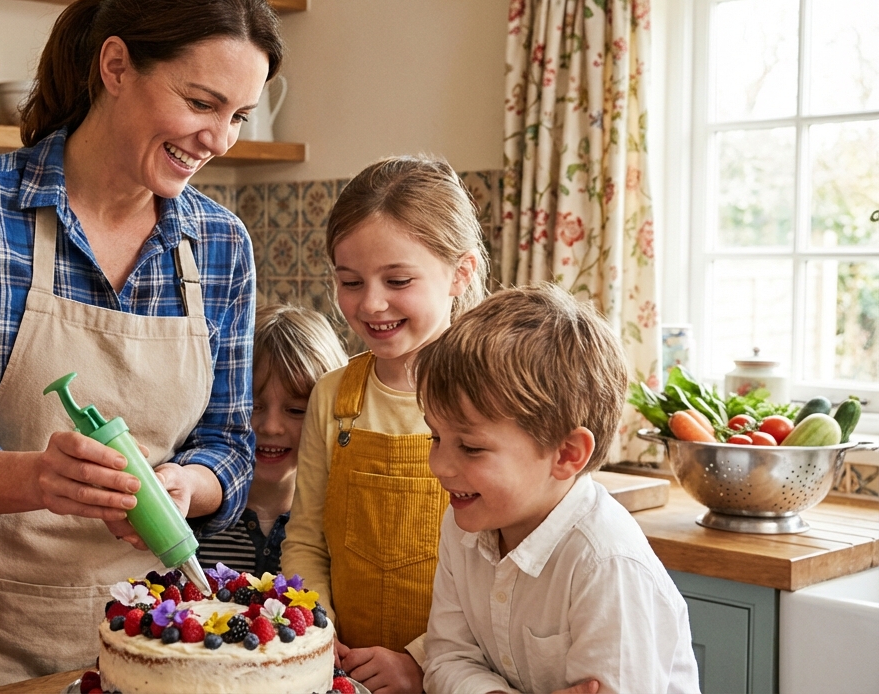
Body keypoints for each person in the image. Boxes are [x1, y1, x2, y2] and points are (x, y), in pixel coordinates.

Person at [0, 0, 280, 692]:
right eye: (201, 103)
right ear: (115, 65)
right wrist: (38, 478)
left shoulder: (223, 244)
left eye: (238, 116)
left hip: (152, 640)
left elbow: (230, 443)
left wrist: (183, 486)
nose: (220, 139)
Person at [418, 285, 699, 694]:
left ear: (566, 454)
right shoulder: (463, 523)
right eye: (434, 437)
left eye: (472, 447)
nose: (438, 465)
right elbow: (446, 659)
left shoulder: (606, 565)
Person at [281, 155, 488, 694]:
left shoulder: (491, 401)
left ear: (460, 274)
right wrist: (316, 630)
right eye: (350, 281)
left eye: (397, 279)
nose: (371, 304)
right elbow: (305, 538)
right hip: (343, 670)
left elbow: (502, 564)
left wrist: (422, 661)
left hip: (458, 671)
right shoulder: (334, 396)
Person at [198, 304, 348, 575]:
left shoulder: (339, 522)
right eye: (252, 407)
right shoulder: (195, 514)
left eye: (296, 410)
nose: (270, 427)